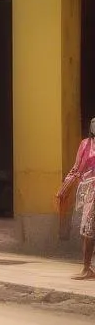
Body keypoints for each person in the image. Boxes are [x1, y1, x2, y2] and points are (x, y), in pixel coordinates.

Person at [57, 117, 95, 281]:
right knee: (87, 229)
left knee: (89, 229)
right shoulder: (85, 144)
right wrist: (64, 187)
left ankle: (87, 268)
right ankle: (87, 268)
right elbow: (77, 168)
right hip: (88, 190)